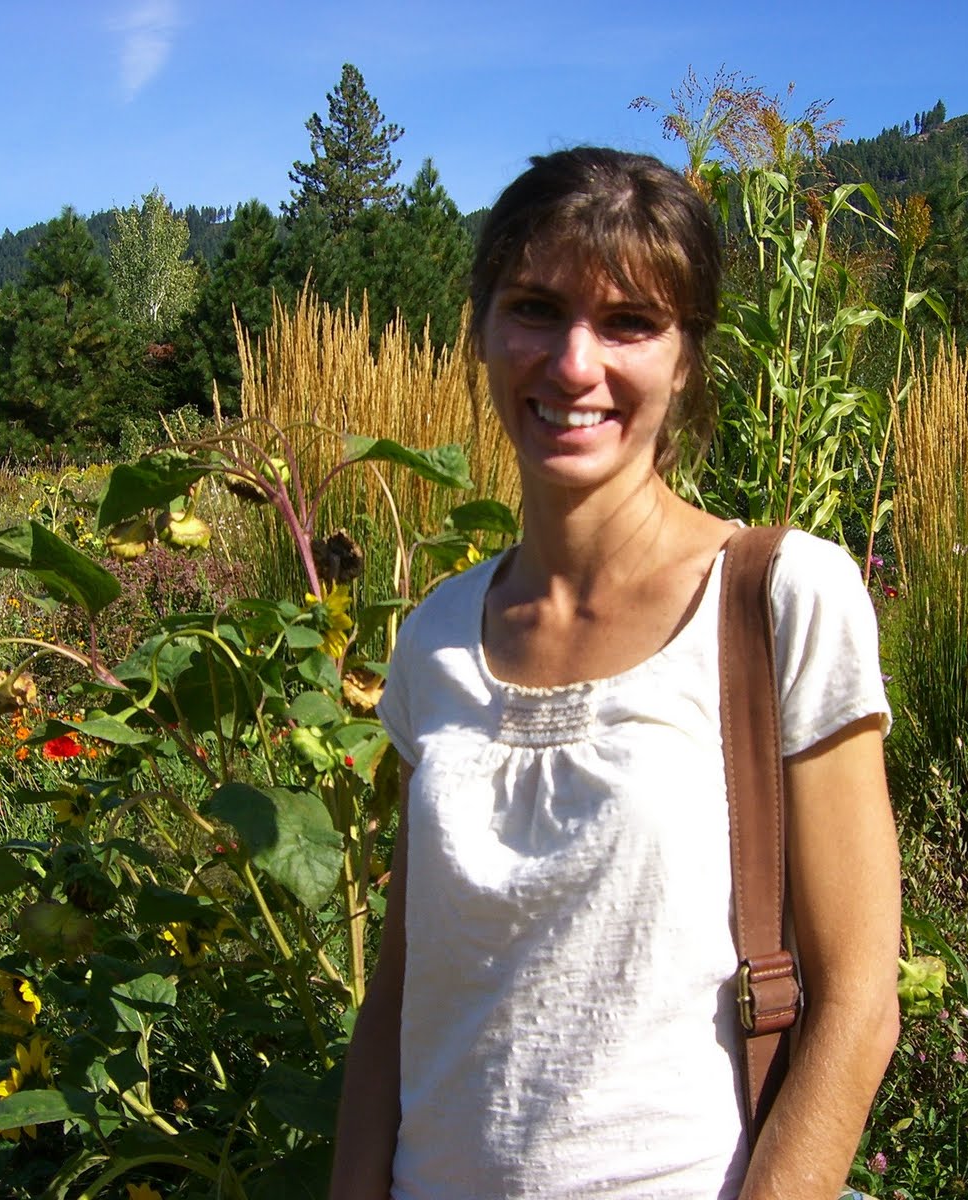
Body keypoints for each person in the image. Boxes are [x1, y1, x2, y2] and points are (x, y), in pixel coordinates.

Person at [330, 147, 900, 1200]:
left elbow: (859, 1002)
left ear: (685, 360)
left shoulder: (776, 602)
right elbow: (399, 998)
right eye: (535, 309)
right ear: (482, 331)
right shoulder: (436, 637)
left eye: (630, 322)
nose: (573, 363)